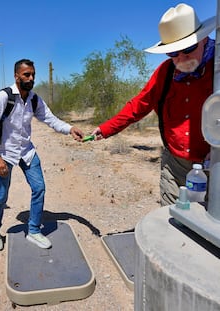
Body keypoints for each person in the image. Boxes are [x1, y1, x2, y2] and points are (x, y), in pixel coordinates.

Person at [91, 3, 214, 206]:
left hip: (216, 167)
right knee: (173, 223)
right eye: (173, 53)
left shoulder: (217, 68)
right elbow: (138, 105)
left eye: (188, 49)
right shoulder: (165, 73)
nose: (181, 58)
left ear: (203, 39)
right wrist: (105, 129)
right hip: (176, 167)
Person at [0, 58, 84, 251]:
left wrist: (70, 129)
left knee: (39, 188)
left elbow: (51, 119)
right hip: (5, 154)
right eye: (26, 74)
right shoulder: (3, 98)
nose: (31, 78)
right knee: (1, 195)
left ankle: (34, 231)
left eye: (33, 74)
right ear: (16, 75)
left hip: (27, 151)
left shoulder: (34, 99)